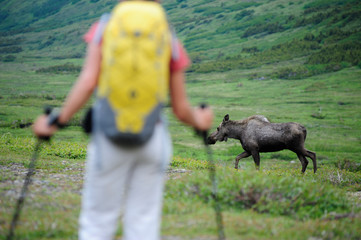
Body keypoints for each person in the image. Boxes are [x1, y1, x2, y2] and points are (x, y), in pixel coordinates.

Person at [32, 0, 213, 240]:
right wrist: (200, 120)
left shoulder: (106, 26)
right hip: (153, 138)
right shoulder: (167, 33)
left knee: (98, 220)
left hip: (108, 137)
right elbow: (180, 109)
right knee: (143, 222)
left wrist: (57, 120)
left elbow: (88, 82)